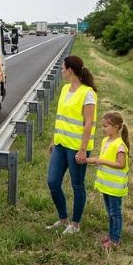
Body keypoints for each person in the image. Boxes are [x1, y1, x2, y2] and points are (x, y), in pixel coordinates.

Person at [46, 55, 97, 234]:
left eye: (63, 68)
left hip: (77, 148)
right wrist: (54, 140)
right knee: (53, 182)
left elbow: (88, 123)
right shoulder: (65, 89)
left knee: (77, 185)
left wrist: (83, 150)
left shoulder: (88, 93)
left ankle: (75, 225)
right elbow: (60, 117)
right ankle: (63, 220)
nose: (61, 71)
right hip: (61, 144)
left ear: (70, 70)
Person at [87, 112, 129, 248]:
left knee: (115, 213)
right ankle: (111, 235)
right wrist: (87, 160)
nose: (103, 129)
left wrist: (102, 161)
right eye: (102, 126)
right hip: (106, 185)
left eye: (106, 126)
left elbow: (121, 164)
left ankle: (115, 240)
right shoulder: (105, 141)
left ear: (116, 127)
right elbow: (102, 158)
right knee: (110, 211)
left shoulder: (120, 145)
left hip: (115, 186)